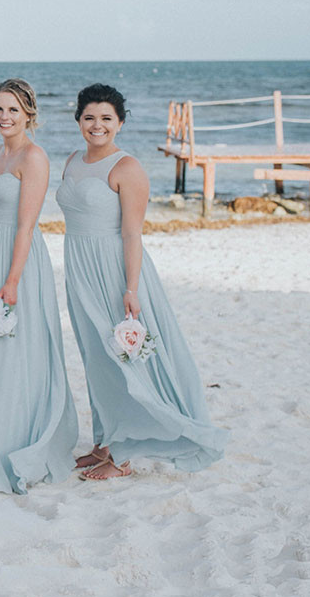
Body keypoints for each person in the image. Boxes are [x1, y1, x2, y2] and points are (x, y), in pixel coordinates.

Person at [58, 83, 227, 480]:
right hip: (79, 267)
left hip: (114, 270)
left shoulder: (127, 167)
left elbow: (132, 233)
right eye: (89, 118)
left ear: (119, 123)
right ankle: (104, 443)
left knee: (121, 358)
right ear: (78, 120)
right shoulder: (72, 160)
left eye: (105, 119)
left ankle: (123, 457)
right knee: (95, 357)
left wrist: (130, 289)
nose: (96, 126)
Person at [0, 78, 78, 494]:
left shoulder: (34, 157)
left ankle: (14, 446)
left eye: (12, 110)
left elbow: (26, 224)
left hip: (19, 259)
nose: (4, 117)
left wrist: (11, 281)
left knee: (14, 353)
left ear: (28, 114)